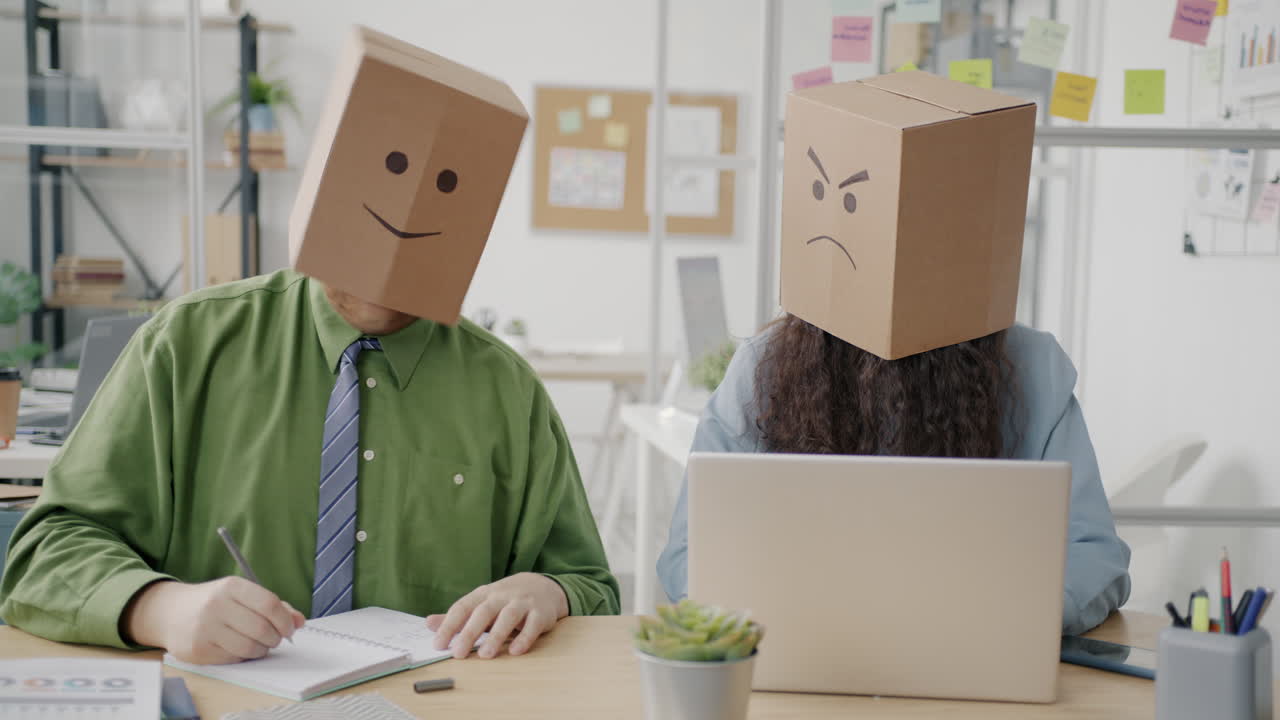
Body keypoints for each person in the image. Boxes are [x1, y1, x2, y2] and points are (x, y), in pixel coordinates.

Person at [1, 27, 618, 664]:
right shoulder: (187, 345)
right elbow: (47, 551)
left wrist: (545, 589)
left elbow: (592, 587)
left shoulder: (505, 390)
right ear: (328, 166)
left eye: (446, 184)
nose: (408, 204)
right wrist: (159, 606)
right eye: (394, 166)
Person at [657, 317, 1131, 635]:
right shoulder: (764, 367)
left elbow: (1093, 555)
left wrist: (1004, 621)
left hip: (974, 678)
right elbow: (688, 555)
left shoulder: (1030, 368)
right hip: (798, 673)